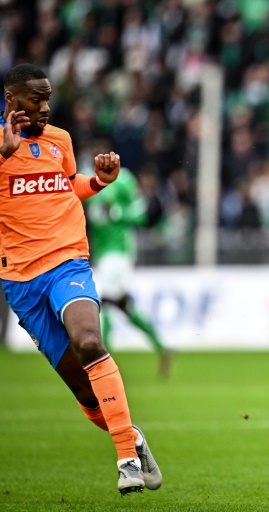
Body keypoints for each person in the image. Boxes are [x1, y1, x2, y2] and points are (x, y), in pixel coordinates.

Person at [0, 64, 161, 495]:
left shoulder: (60, 140)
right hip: (20, 280)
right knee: (86, 394)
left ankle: (126, 460)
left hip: (68, 261)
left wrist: (98, 182)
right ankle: (132, 436)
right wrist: (3, 153)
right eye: (37, 99)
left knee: (90, 341)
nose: (46, 107)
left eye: (49, 98)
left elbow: (66, 185)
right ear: (12, 100)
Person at [84, 165, 172, 378]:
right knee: (122, 305)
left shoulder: (122, 179)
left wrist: (117, 212)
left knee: (102, 302)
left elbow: (141, 215)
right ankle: (163, 347)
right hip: (103, 253)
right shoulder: (86, 181)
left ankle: (102, 362)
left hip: (118, 253)